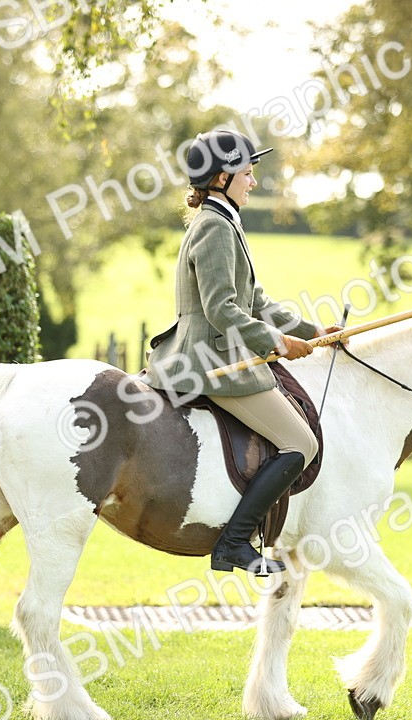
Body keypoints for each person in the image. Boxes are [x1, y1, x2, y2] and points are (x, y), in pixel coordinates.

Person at [142, 129, 342, 574]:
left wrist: (315, 332)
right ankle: (234, 542)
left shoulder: (225, 221)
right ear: (220, 179)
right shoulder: (214, 227)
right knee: (300, 442)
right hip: (211, 360)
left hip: (219, 351)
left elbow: (259, 304)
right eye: (247, 174)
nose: (253, 181)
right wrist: (276, 343)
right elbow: (222, 309)